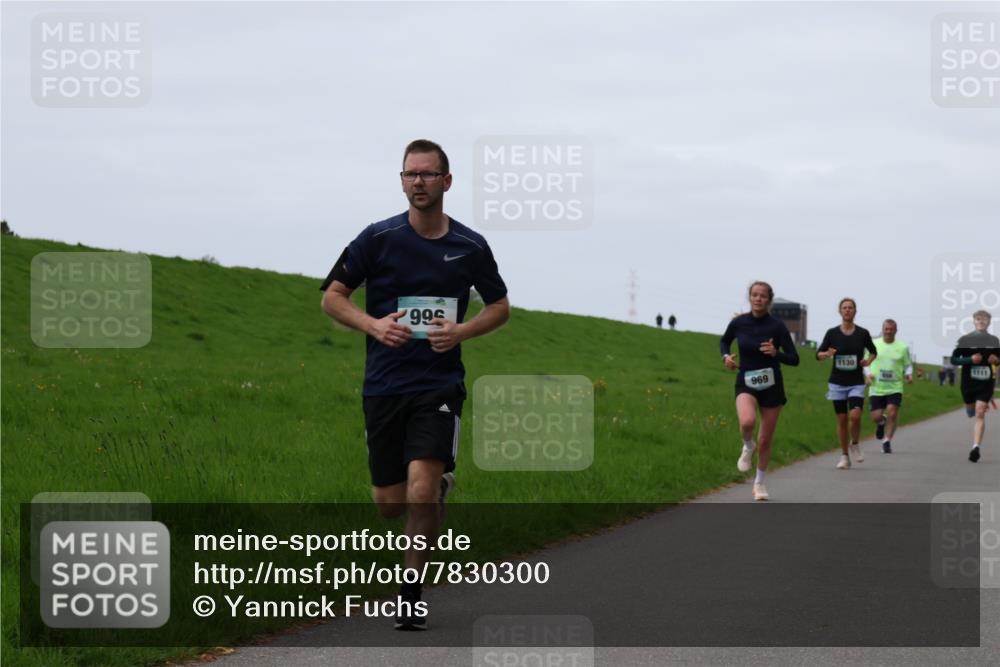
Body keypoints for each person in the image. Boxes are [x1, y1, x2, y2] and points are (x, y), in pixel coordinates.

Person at [320, 139, 510, 629]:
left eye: (427, 174)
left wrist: (462, 331)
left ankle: (409, 595)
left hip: (439, 384)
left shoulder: (469, 246)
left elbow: (499, 306)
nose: (418, 182)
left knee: (422, 491)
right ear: (402, 181)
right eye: (410, 174)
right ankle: (433, 488)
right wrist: (374, 325)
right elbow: (333, 298)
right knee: (389, 504)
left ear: (446, 182)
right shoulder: (377, 238)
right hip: (384, 385)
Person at [720, 281, 800, 501]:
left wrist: (776, 353)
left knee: (765, 439)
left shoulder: (777, 327)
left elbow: (794, 359)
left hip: (772, 385)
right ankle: (747, 445)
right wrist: (726, 357)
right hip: (746, 380)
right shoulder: (739, 322)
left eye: (762, 296)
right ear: (750, 297)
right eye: (754, 295)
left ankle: (759, 484)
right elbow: (724, 342)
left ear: (769, 299)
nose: (758, 299)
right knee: (746, 422)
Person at [816, 298, 877, 469]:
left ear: (855, 311)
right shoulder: (832, 333)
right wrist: (826, 354)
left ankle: (855, 443)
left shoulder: (863, 333)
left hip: (856, 382)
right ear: (840, 311)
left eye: (850, 308)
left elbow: (873, 351)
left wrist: (867, 361)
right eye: (844, 308)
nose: (847, 310)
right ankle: (844, 456)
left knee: (855, 416)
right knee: (842, 420)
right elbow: (818, 354)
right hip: (837, 383)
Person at [949, 310, 999, 462]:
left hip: (986, 383)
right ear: (974, 322)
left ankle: (975, 447)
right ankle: (969, 408)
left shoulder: (994, 341)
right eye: (978, 319)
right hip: (968, 384)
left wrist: (996, 360)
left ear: (989, 322)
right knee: (971, 412)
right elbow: (954, 359)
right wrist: (969, 359)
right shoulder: (965, 340)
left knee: (979, 413)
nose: (981, 321)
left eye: (984, 319)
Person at [864, 319, 912, 454]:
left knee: (892, 412)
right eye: (886, 329)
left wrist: (909, 375)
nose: (889, 331)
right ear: (882, 329)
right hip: (876, 387)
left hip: (895, 387)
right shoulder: (873, 344)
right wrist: (868, 374)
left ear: (896, 331)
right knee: (875, 416)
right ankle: (881, 422)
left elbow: (907, 364)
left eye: (891, 329)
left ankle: (887, 441)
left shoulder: (902, 347)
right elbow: (866, 362)